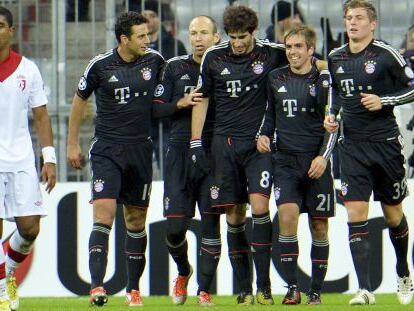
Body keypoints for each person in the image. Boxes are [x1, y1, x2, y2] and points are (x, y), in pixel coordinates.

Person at [191, 5, 288, 305]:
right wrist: (196, 142)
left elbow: (305, 62)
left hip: (258, 145)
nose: (237, 42)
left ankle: (265, 286)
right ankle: (244, 288)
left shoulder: (273, 53)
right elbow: (202, 99)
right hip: (224, 144)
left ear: (253, 32)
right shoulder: (213, 56)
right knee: (233, 215)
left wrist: (332, 66)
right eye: (232, 37)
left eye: (243, 36)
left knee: (260, 206)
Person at [67, 11, 164, 307]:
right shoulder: (100, 65)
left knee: (136, 220)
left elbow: (163, 100)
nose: (148, 40)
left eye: (148, 34)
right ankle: (97, 286)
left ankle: (133, 289)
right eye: (141, 36)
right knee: (104, 214)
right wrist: (72, 144)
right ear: (124, 39)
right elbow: (79, 100)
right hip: (108, 148)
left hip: (141, 149)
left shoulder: (156, 61)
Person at [324, 0, 414, 305]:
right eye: (349, 17)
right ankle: (365, 289)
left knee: (393, 215)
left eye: (359, 17)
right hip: (351, 147)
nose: (352, 22)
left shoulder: (386, 54)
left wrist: (384, 100)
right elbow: (334, 93)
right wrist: (330, 114)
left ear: (372, 24)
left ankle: (403, 270)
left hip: (385, 143)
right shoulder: (335, 57)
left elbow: (412, 87)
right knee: (355, 213)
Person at [257, 25, 336, 305]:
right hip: (285, 161)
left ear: (311, 50)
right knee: (287, 220)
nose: (292, 52)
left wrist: (323, 158)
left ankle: (316, 290)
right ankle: (292, 287)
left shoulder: (325, 80)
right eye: (289, 47)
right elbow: (269, 116)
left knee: (319, 228)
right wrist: (263, 135)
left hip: (316, 161)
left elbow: (333, 125)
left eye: (299, 47)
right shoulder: (275, 77)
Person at [152, 15, 221, 306]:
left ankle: (204, 289)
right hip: (179, 152)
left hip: (214, 152)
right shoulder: (174, 67)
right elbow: (155, 110)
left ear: (216, 37)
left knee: (210, 223)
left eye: (204, 32)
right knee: (175, 228)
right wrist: (180, 103)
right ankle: (183, 271)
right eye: (193, 33)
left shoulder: (223, 66)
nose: (198, 38)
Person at [0, 6, 57, 311]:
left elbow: (41, 115)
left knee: (30, 229)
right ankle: (1, 292)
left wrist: (49, 159)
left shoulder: (27, 69)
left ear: (10, 31)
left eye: (0, 25)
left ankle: (8, 271)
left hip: (21, 160)